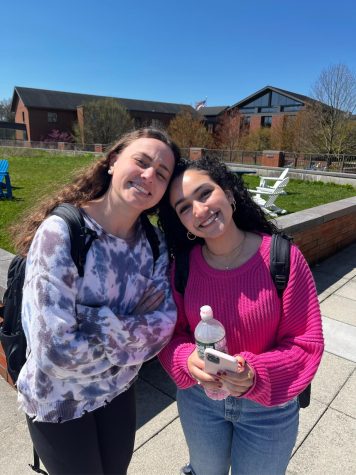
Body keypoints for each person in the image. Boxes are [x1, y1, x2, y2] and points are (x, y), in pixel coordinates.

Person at [14, 128, 181, 475]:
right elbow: (55, 352)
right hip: (59, 401)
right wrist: (131, 335)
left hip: (117, 393)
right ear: (112, 160)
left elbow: (163, 325)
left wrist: (93, 321)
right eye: (142, 161)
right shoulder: (63, 233)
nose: (150, 174)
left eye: (162, 173)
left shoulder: (153, 243)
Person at [158, 156, 324, 475]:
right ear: (182, 223)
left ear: (230, 194)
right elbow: (170, 334)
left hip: (269, 409)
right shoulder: (183, 267)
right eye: (184, 207)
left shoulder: (283, 258)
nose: (199, 209)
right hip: (200, 402)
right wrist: (184, 360)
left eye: (205, 193)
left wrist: (254, 374)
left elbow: (306, 343)